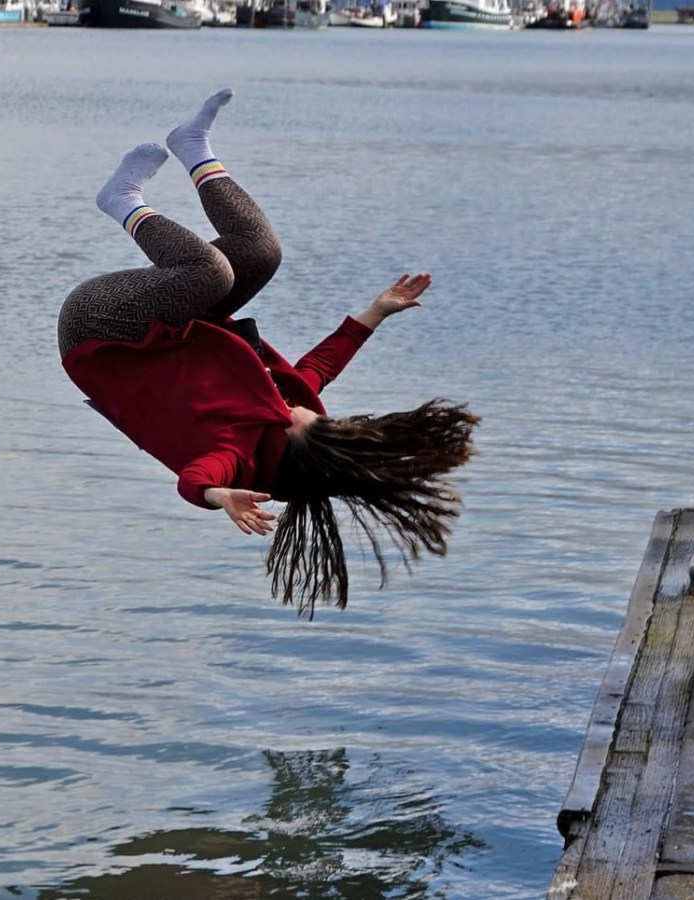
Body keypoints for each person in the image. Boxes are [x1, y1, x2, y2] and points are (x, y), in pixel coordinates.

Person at [58, 89, 478, 618]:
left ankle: (121, 200)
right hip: (170, 334)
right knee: (261, 252)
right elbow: (314, 373)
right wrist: (375, 313)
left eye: (305, 420)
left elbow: (195, 480)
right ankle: (193, 147)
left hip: (98, 332)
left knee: (212, 272)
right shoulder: (299, 420)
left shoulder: (238, 456)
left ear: (289, 441)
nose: (303, 407)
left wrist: (221, 498)